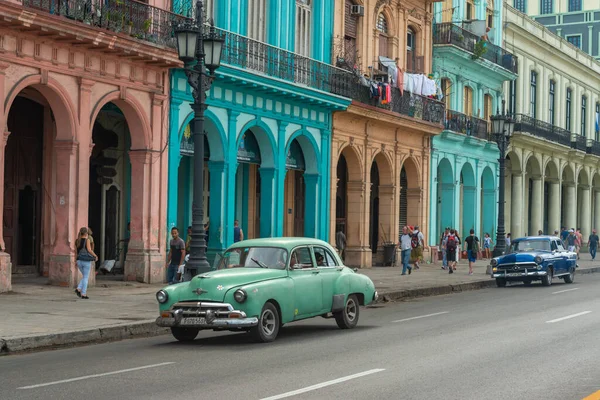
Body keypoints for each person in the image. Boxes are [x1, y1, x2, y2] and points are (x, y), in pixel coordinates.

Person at [75, 227, 98, 299]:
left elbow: (76, 252)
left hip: (79, 260)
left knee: (84, 276)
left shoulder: (77, 241)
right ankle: (83, 293)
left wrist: (76, 260)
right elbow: (89, 250)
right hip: (86, 261)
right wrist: (95, 256)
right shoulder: (87, 240)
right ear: (86, 233)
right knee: (85, 277)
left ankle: (78, 289)